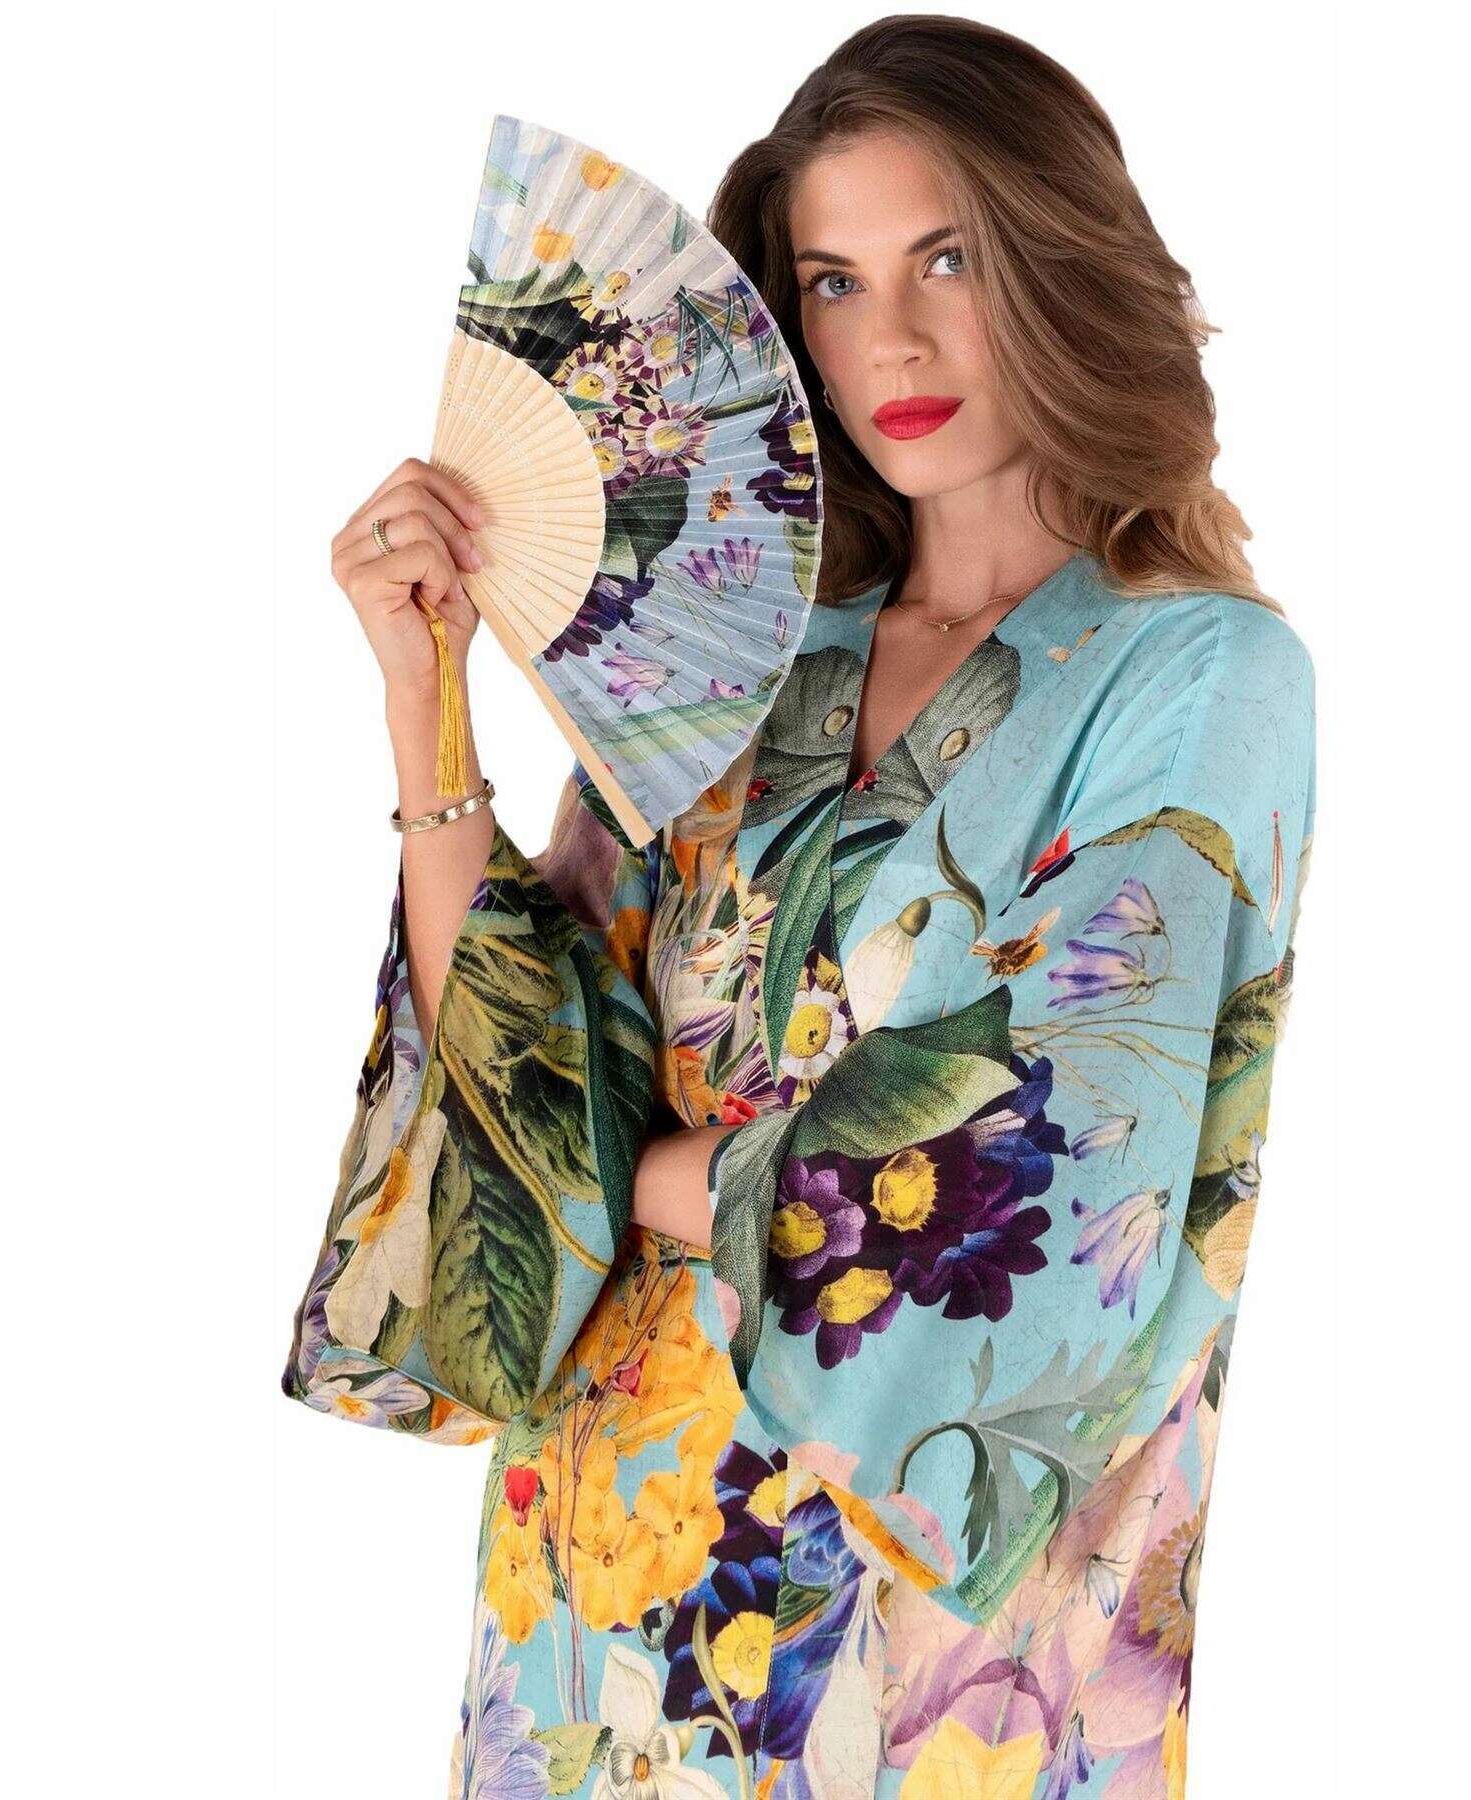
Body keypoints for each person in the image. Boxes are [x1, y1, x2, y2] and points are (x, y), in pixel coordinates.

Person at [284, 16, 1316, 1796]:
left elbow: (1046, 1172)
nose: (891, 337)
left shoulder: (1199, 673)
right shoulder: (739, 657)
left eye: (947, 258)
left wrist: (624, 1170)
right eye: (834, 281)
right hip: (592, 1593)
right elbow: (508, 1086)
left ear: (1059, 259)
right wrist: (425, 693)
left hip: (926, 1655)